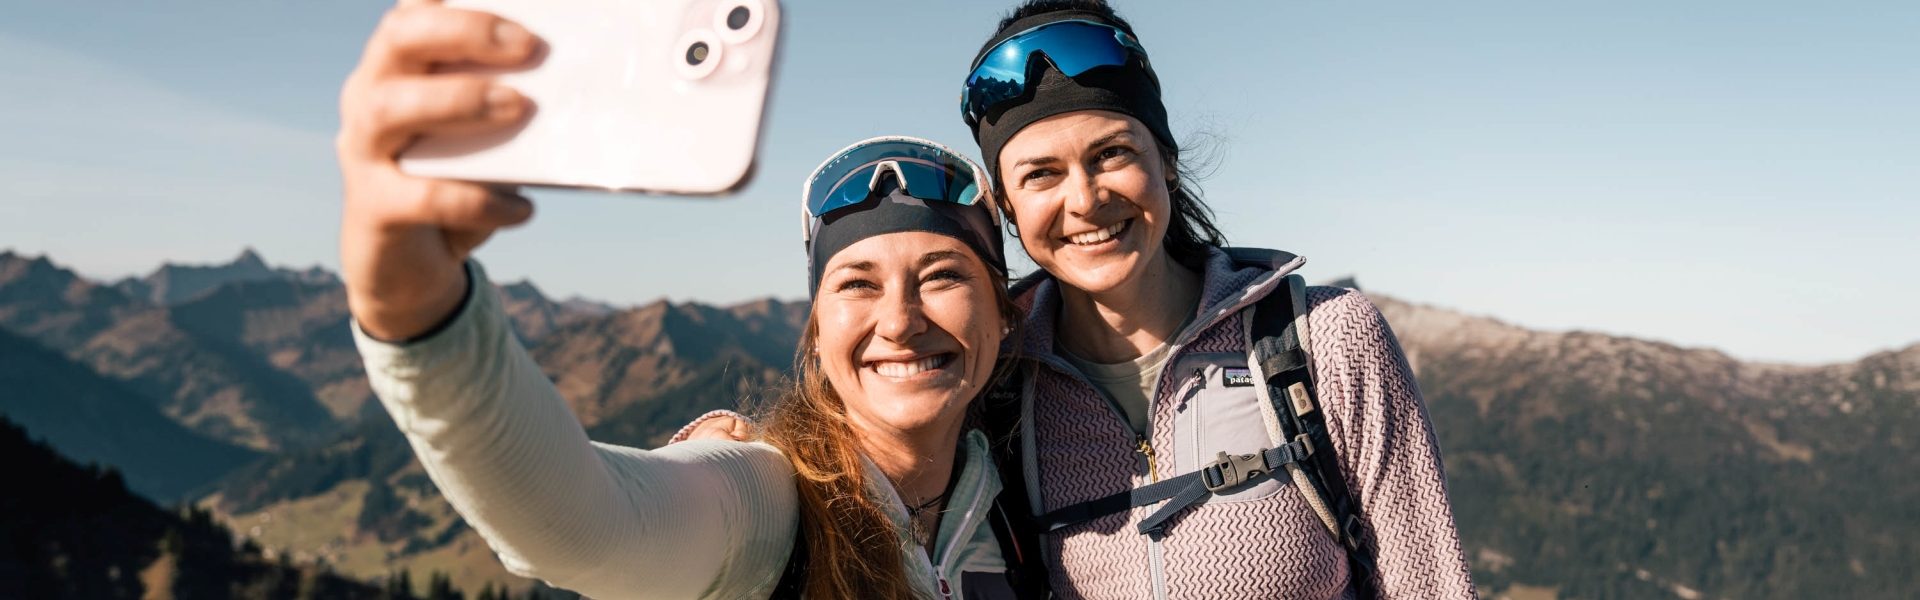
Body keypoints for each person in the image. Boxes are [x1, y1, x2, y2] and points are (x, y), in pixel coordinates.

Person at [334, 4, 1034, 598]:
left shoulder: (1022, 500)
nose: (901, 320)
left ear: (1005, 314)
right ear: (817, 331)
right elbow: (587, 527)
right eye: (857, 282)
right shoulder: (773, 503)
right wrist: (418, 311)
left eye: (943, 275)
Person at [963, 1, 1480, 597]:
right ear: (1007, 208)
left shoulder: (1327, 341)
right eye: (1041, 175)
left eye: (1112, 153)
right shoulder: (998, 391)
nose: (1084, 200)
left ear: (1168, 163)